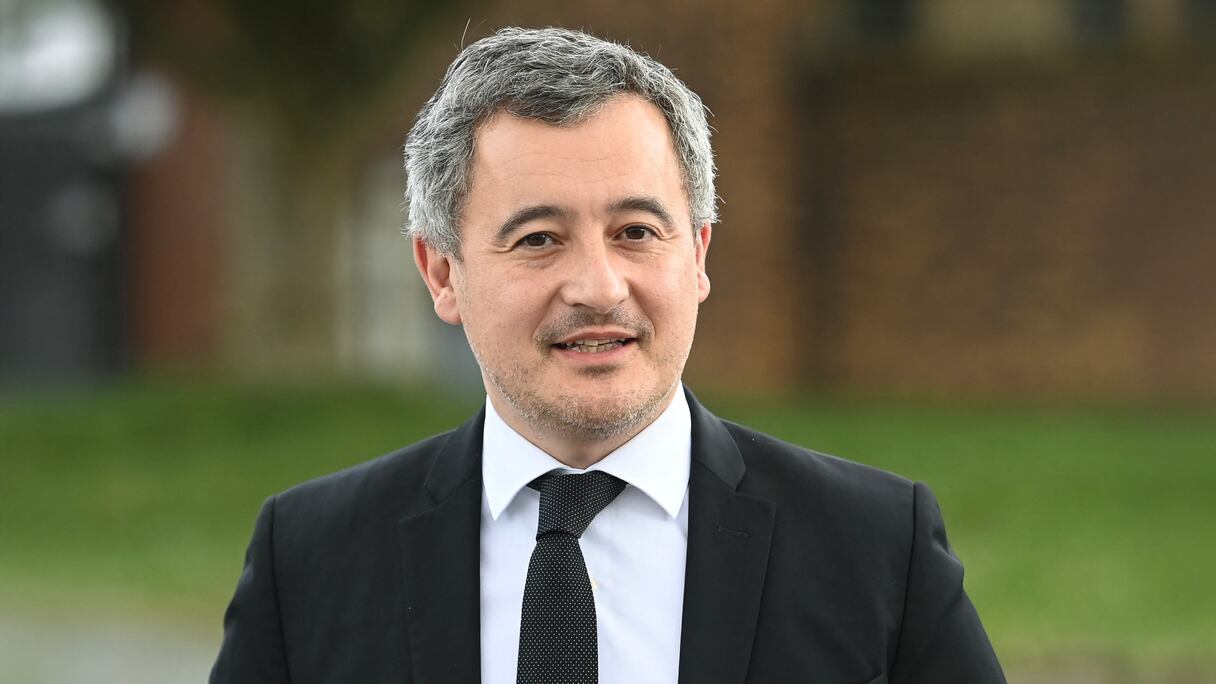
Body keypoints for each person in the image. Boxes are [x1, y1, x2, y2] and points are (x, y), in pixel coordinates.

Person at [211, 27, 1006, 684]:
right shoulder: (309, 560)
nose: (598, 286)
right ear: (443, 273)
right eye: (538, 239)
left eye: (635, 232)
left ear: (698, 254)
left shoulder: (876, 550)